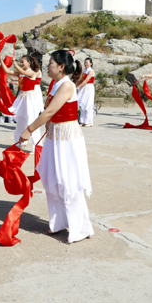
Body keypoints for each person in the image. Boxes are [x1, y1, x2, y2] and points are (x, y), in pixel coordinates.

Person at [19, 50, 93, 243]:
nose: (47, 66)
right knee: (53, 178)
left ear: (61, 67)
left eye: (51, 62)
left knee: (68, 180)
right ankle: (59, 222)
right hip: (55, 136)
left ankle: (81, 227)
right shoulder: (56, 84)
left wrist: (29, 129)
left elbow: (49, 111)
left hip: (67, 138)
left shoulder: (67, 85)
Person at [1, 54, 42, 151]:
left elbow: (23, 72)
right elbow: (7, 71)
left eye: (22, 62)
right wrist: (1, 60)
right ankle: (19, 143)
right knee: (20, 121)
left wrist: (14, 63)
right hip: (22, 99)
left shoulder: (32, 73)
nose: (21, 63)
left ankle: (37, 147)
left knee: (32, 121)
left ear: (29, 63)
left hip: (30, 99)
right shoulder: (21, 73)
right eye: (20, 62)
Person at [74, 58, 95, 127]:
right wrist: (74, 85)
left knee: (88, 104)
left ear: (91, 63)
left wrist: (79, 86)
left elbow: (86, 80)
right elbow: (81, 80)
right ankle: (82, 121)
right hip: (83, 88)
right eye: (85, 62)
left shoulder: (91, 71)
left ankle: (89, 122)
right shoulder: (85, 71)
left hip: (88, 88)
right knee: (82, 103)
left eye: (87, 62)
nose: (85, 64)